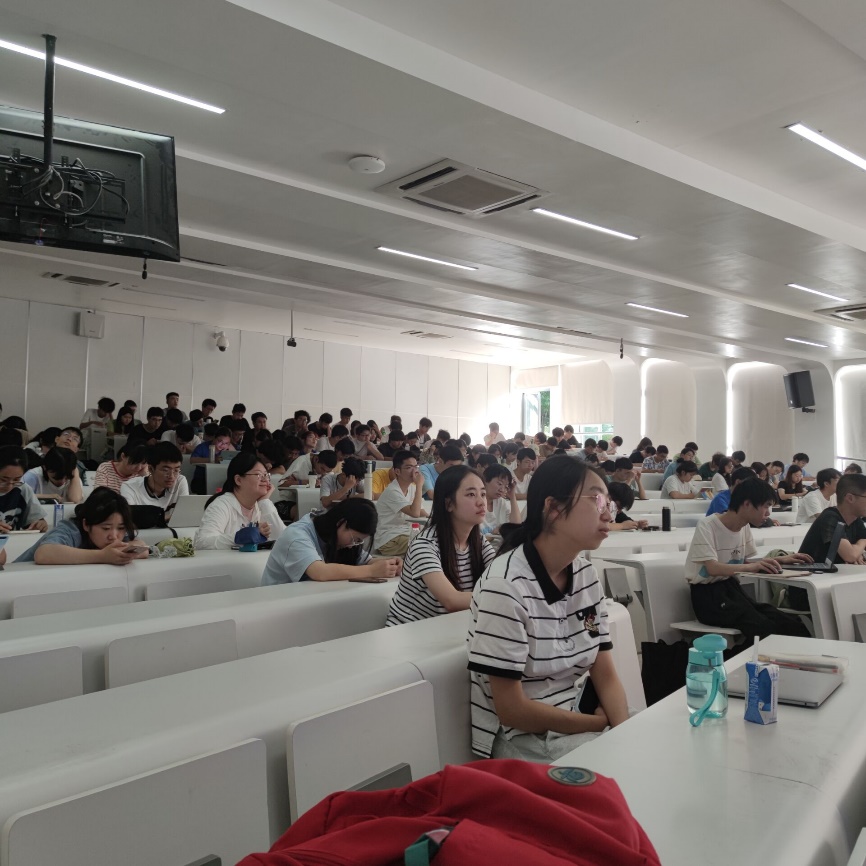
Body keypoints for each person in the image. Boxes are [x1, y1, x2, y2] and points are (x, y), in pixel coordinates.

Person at [467, 455, 629, 761]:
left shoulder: (586, 575)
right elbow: (512, 710)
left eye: (609, 503)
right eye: (597, 500)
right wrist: (596, 724)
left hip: (573, 715)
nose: (608, 514)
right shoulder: (505, 585)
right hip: (522, 738)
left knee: (649, 748)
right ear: (553, 508)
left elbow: (605, 674)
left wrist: (623, 733)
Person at [685, 478, 813, 640]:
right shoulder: (707, 525)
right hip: (707, 598)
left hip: (731, 589)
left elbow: (742, 563)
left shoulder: (744, 526)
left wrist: (781, 559)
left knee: (789, 623)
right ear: (747, 504)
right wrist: (752, 566)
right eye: (766, 506)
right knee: (764, 626)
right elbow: (712, 568)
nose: (768, 513)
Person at [386, 465, 496, 625]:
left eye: (483, 494)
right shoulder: (424, 545)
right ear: (449, 504)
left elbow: (502, 577)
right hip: (408, 631)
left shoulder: (479, 541)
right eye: (471, 494)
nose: (481, 502)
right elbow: (451, 601)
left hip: (450, 628)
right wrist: (503, 596)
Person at [261, 498, 400, 585]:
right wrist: (371, 571)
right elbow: (320, 572)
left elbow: (366, 561)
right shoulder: (297, 535)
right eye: (355, 539)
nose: (353, 545)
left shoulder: (338, 540)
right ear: (341, 523)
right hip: (276, 603)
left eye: (359, 542)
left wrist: (391, 564)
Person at [15, 487, 149, 565]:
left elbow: (142, 547)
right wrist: (102, 556)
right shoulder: (70, 529)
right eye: (106, 528)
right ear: (86, 524)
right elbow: (44, 554)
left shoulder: (115, 536)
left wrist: (124, 554)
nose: (114, 536)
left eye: (121, 528)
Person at [194, 453, 285, 549]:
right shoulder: (221, 505)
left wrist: (264, 501)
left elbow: (284, 539)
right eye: (258, 475)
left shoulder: (261, 505)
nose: (265, 480)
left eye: (266, 475)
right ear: (238, 480)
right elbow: (202, 542)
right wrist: (238, 537)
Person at [373, 450, 427, 555]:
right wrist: (419, 485)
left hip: (404, 534)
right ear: (397, 471)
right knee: (424, 547)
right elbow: (415, 513)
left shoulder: (411, 488)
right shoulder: (392, 491)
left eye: (416, 467)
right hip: (389, 540)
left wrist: (433, 519)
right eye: (409, 467)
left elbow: (421, 511)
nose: (414, 471)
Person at [120, 442, 189, 516]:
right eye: (165, 470)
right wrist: (167, 517)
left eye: (176, 470)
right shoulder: (130, 487)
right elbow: (130, 518)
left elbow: (185, 514)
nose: (171, 476)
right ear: (151, 469)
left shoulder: (180, 481)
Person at [0, 447, 48, 532]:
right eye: (3, 480)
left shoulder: (23, 489)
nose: (10, 486)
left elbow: (36, 520)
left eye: (16, 479)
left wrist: (40, 524)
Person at [481, 464, 523, 536]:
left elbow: (516, 525)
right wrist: (492, 534)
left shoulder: (501, 502)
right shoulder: (476, 503)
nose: (502, 490)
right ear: (485, 480)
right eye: (499, 484)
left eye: (506, 487)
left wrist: (512, 496)